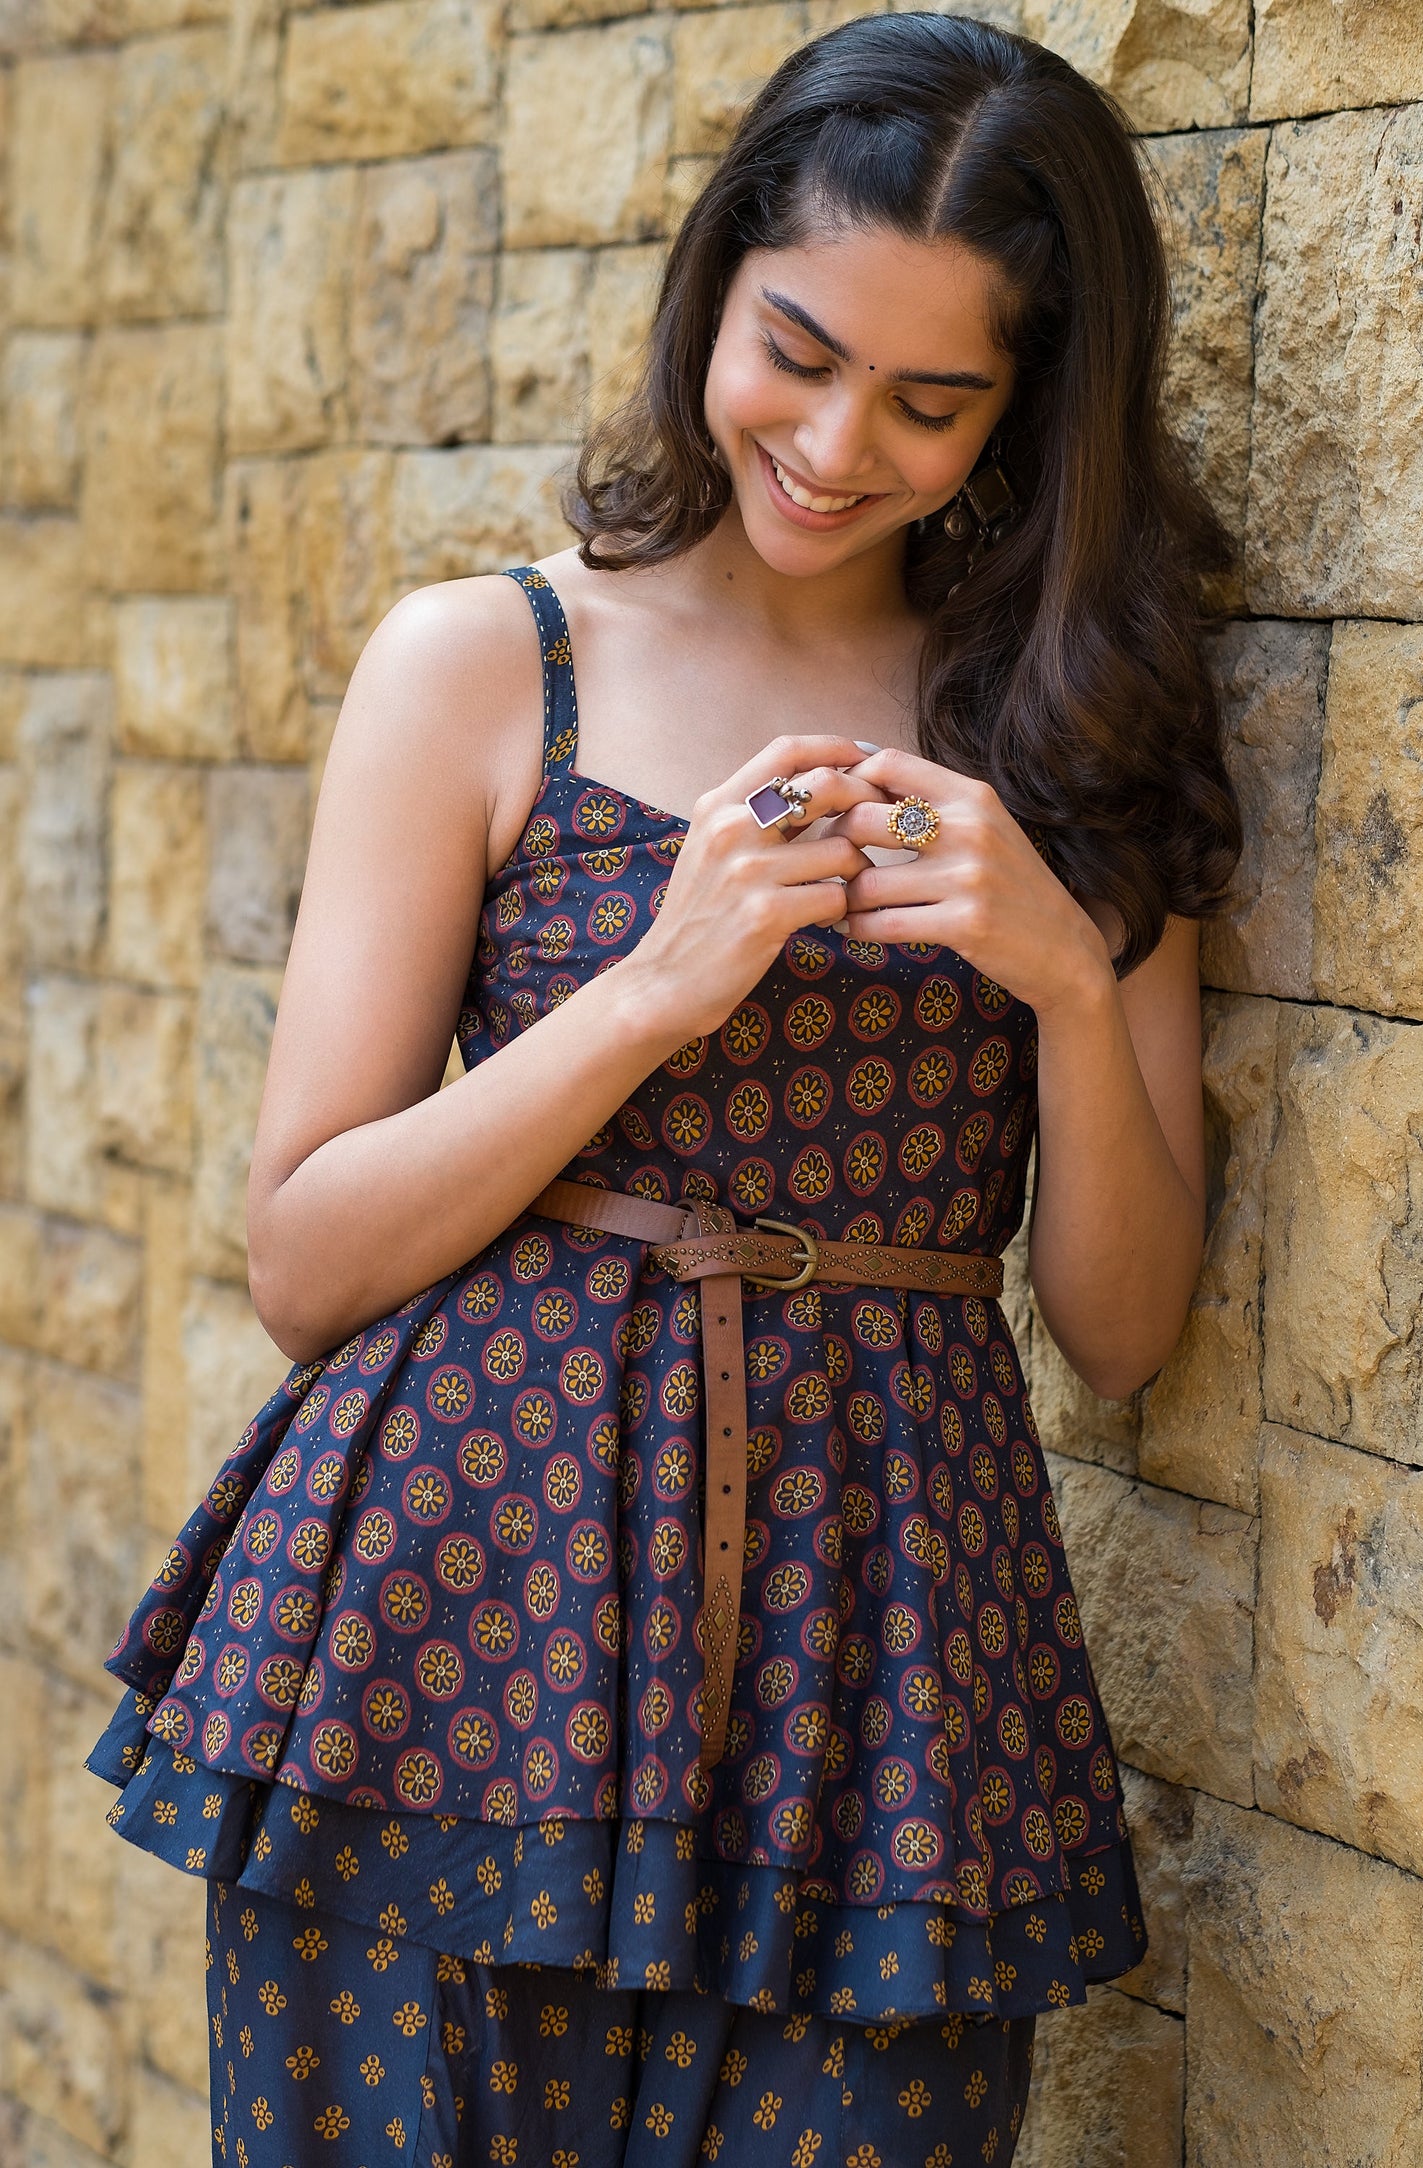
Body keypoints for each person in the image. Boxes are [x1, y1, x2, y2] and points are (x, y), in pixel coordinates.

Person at [89, 12, 1240, 2165]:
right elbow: (304, 1254)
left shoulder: (1075, 736)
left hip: (883, 1665)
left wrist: (1069, 988)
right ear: (714, 283)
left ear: (1023, 411)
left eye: (927, 401)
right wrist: (649, 987)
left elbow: (1122, 1324)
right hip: (452, 1625)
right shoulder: (481, 665)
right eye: (795, 350)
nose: (832, 441)